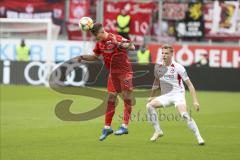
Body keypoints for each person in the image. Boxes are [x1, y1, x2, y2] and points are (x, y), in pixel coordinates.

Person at [75, 23, 135, 141]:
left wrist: (119, 44)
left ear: (102, 32)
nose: (97, 39)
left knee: (127, 98)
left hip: (125, 73)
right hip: (113, 74)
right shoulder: (100, 43)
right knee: (110, 99)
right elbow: (95, 56)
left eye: (97, 37)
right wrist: (83, 57)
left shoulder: (115, 38)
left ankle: (125, 126)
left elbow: (132, 47)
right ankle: (107, 127)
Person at [146, 44, 205, 145]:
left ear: (172, 54)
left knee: (184, 115)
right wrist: (151, 95)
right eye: (163, 53)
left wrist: (195, 101)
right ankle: (158, 131)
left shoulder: (178, 67)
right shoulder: (159, 66)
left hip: (178, 95)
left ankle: (199, 137)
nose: (164, 55)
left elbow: (190, 85)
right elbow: (156, 82)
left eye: (166, 53)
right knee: (149, 106)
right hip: (166, 96)